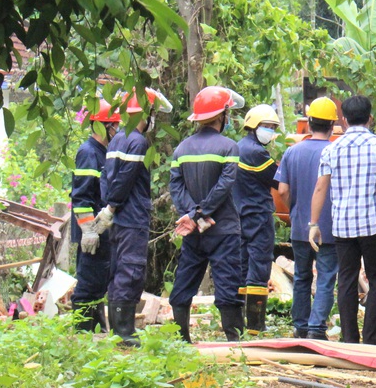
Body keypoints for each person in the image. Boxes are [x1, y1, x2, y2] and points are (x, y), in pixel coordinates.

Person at [309, 95, 376, 345]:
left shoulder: (331, 149)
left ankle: (349, 338)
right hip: (375, 226)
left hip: (343, 227)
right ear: (370, 119)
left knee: (346, 279)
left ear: (344, 121)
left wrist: (313, 224)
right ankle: (371, 338)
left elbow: (320, 188)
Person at [94, 88, 173, 347]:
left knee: (119, 271)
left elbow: (108, 177)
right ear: (145, 113)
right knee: (131, 271)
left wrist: (109, 208)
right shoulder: (137, 141)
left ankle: (120, 332)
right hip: (131, 218)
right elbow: (125, 179)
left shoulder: (117, 139)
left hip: (118, 219)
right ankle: (125, 334)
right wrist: (113, 206)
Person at [169, 86, 245, 343]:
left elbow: (176, 187)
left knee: (185, 280)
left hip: (194, 230)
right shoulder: (229, 147)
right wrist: (202, 213)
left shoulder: (181, 149)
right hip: (222, 229)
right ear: (223, 115)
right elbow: (224, 186)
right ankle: (235, 344)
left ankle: (181, 341)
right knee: (228, 284)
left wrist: (192, 216)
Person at [275, 97, 339, 340]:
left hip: (301, 226)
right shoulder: (334, 151)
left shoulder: (293, 151)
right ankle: (316, 328)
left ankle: (300, 326)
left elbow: (282, 190)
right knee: (325, 278)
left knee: (302, 276)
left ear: (309, 123)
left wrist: (295, 210)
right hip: (328, 229)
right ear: (332, 125)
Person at [70, 99, 120, 332]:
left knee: (99, 283)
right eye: (114, 127)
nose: (117, 131)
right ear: (104, 126)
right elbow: (80, 196)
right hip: (92, 233)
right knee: (88, 284)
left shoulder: (104, 152)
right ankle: (81, 333)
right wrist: (89, 230)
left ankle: (97, 332)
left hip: (102, 230)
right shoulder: (89, 152)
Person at [233, 104, 280, 334]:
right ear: (254, 126)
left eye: (272, 127)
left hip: (238, 215)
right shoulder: (257, 153)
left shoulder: (237, 148)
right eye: (267, 127)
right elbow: (279, 181)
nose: (270, 132)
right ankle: (255, 325)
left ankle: (238, 322)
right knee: (259, 266)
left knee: (241, 267)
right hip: (258, 215)